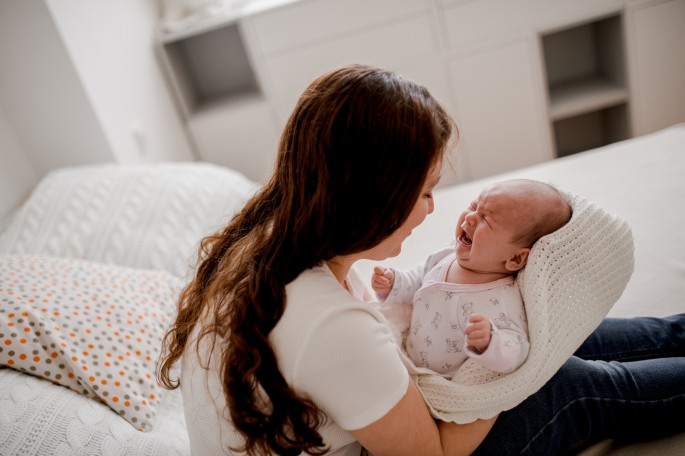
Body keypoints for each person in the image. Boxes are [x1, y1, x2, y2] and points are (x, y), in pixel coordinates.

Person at [158, 64, 685, 456]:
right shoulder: (329, 325)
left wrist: (532, 339)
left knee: (558, 331)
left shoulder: (269, 236)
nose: (432, 209)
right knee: (571, 383)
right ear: (374, 196)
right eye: (427, 190)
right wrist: (516, 374)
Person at [372, 179, 571, 377]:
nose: (470, 218)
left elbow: (518, 349)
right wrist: (394, 284)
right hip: (410, 355)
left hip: (445, 380)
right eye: (474, 206)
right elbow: (419, 279)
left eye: (486, 220)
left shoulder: (498, 298)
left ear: (515, 258)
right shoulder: (447, 255)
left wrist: (490, 341)